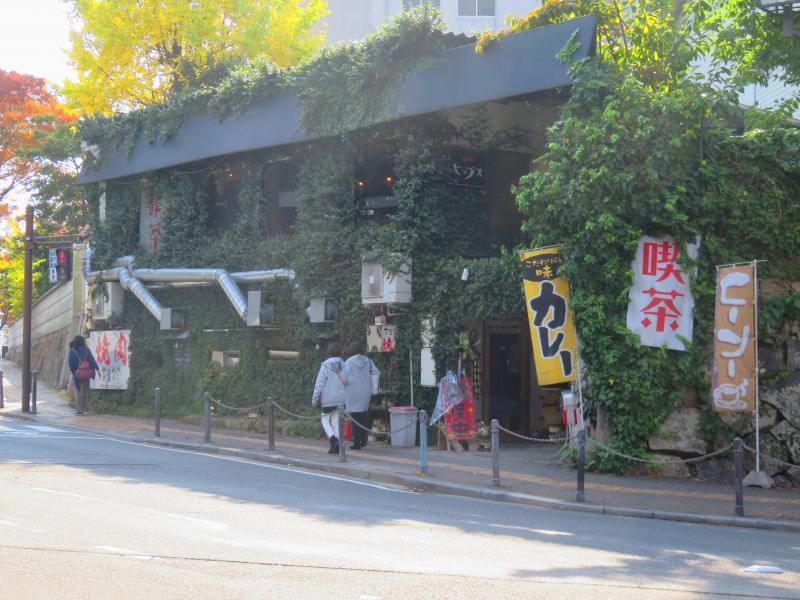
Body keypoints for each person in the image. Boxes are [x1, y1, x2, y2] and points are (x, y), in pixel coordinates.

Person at [311, 342, 347, 454]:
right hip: (342, 400)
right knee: (336, 421)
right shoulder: (344, 365)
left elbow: (319, 384)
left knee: (325, 420)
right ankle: (338, 445)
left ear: (329, 352)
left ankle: (332, 440)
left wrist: (314, 399)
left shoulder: (325, 366)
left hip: (328, 400)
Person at [343, 341, 379, 450]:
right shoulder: (368, 361)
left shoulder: (348, 362)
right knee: (363, 415)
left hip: (353, 392)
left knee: (354, 418)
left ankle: (357, 443)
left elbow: (344, 377)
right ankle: (364, 440)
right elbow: (376, 372)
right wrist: (374, 388)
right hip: (365, 391)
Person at [67, 335, 99, 416]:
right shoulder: (86, 350)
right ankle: (84, 409)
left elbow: (71, 362)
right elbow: (92, 360)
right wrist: (97, 369)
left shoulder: (73, 351)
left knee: (78, 391)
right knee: (85, 391)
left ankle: (79, 410)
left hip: (77, 374)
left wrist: (74, 370)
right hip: (87, 373)